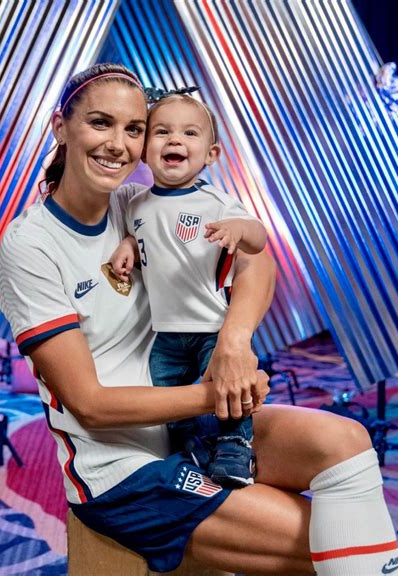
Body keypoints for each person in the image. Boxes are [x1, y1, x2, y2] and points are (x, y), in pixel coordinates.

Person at [0, 63, 398, 576]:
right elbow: (91, 406)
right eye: (100, 123)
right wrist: (222, 394)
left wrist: (234, 341)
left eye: (134, 128)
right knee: (328, 538)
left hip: (190, 425)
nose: (118, 144)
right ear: (61, 127)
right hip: (120, 468)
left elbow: (258, 258)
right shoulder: (30, 245)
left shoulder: (137, 204)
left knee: (346, 442)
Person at [110, 90, 267, 488]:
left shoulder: (215, 202)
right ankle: (190, 444)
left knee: (225, 390)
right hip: (164, 331)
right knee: (169, 392)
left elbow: (260, 238)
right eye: (161, 132)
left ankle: (235, 446)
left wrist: (239, 230)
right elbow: (139, 236)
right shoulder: (136, 204)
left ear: (211, 154)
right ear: (144, 151)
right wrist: (128, 246)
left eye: (189, 133)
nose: (175, 140)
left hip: (211, 325)